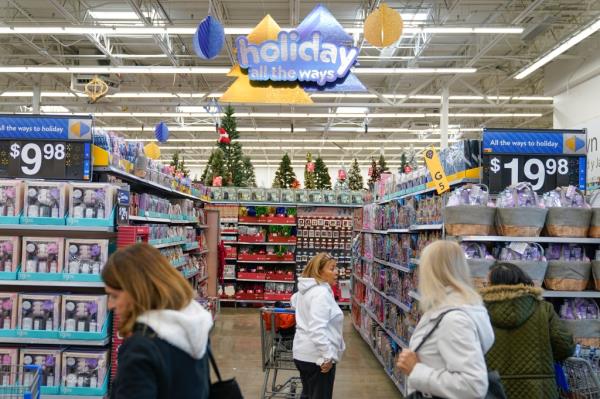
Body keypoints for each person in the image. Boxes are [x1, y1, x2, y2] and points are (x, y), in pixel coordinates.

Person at [102, 243, 214, 399]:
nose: (110, 305)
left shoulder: (141, 347)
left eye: (114, 295)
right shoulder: (194, 325)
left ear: (138, 292)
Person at [397, 240, 495, 399]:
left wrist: (416, 370)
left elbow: (473, 385)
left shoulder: (454, 320)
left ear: (433, 272)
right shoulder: (451, 308)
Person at [481, 262, 575, 399]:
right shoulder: (543, 309)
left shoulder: (480, 312)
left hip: (494, 390)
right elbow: (564, 346)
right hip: (539, 390)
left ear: (492, 286)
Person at [292, 253, 346, 399]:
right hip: (317, 359)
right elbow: (317, 329)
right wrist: (328, 356)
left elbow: (294, 301)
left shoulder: (306, 290)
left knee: (308, 394)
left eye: (336, 268)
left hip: (303, 354)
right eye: (332, 268)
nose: (337, 272)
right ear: (319, 271)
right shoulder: (320, 294)